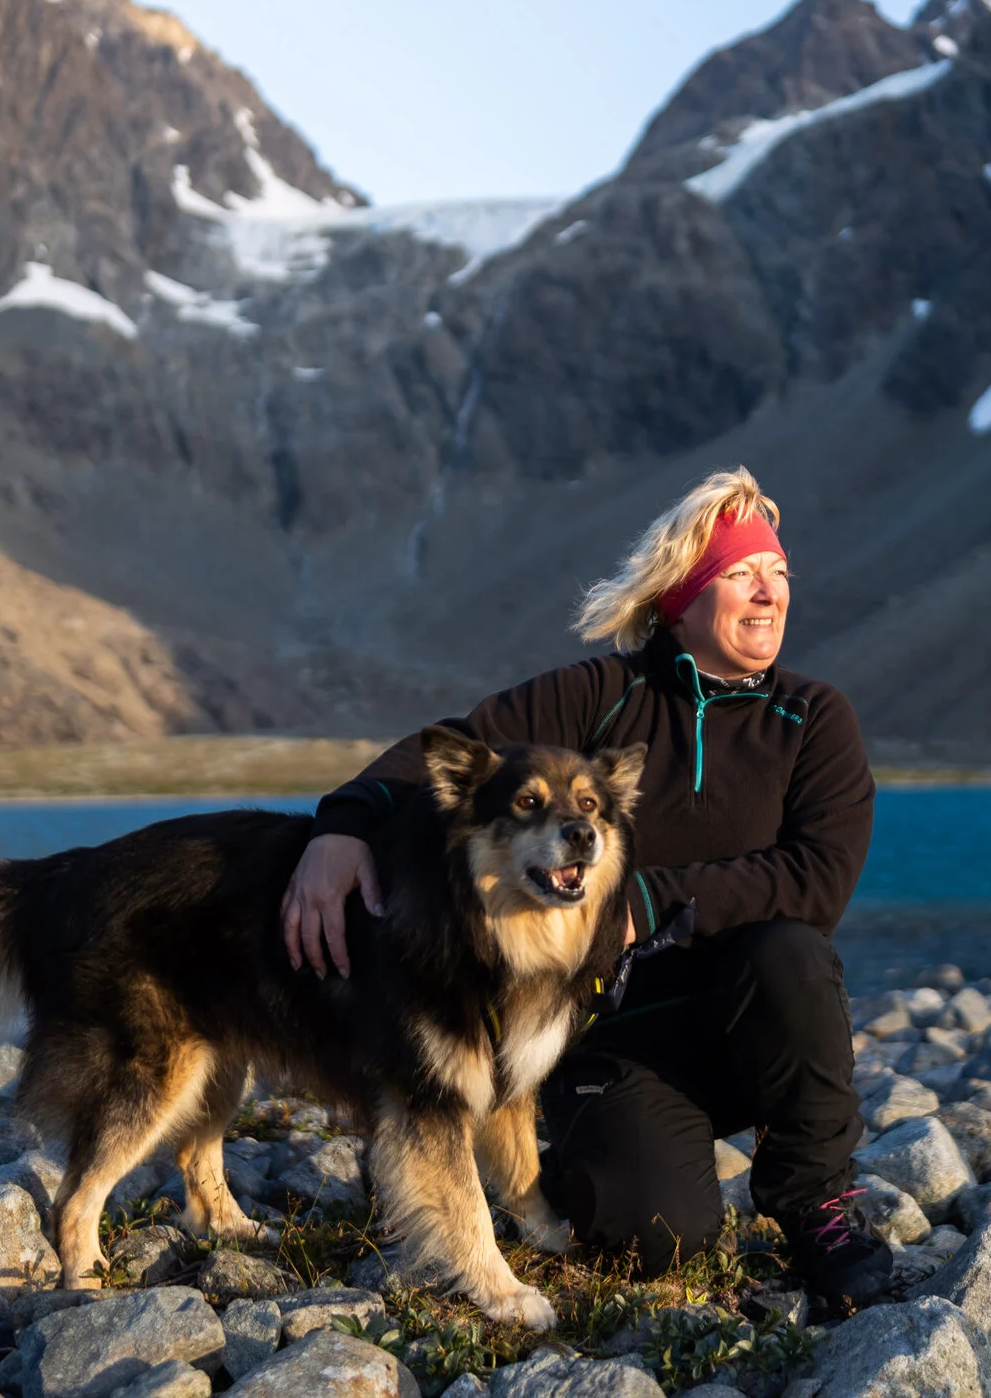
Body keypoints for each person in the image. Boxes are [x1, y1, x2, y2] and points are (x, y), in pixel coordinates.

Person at [279, 468, 892, 1306]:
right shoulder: (603, 695)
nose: (769, 592)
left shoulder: (813, 717)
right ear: (683, 593)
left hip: (758, 1016)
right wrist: (340, 825)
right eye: (743, 572)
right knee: (654, 1239)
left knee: (793, 947)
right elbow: (462, 752)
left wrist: (638, 901)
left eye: (780, 574)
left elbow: (817, 878)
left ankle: (816, 1198)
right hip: (617, 1033)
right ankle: (551, 1150)